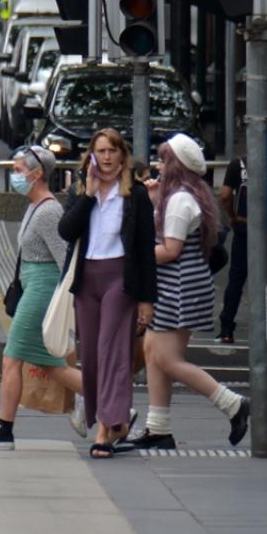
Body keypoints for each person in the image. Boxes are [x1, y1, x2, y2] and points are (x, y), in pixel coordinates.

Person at [122, 135, 250, 450]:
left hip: (179, 287)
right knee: (153, 351)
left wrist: (134, 254)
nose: (158, 166)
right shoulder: (181, 197)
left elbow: (170, 249)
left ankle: (232, 403)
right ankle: (158, 428)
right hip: (177, 285)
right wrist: (155, 203)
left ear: (176, 166)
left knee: (166, 358)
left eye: (164, 160)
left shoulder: (180, 200)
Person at [0, 147, 85, 450]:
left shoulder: (48, 211)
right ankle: (116, 406)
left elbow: (64, 260)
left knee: (12, 357)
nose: (14, 175)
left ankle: (4, 430)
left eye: (18, 170)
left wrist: (67, 304)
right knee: (51, 364)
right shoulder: (35, 207)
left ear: (37, 173)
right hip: (33, 285)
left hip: (42, 289)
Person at [57, 128, 156, 459]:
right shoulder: (82, 189)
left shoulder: (135, 194)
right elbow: (65, 231)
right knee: (91, 356)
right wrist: (88, 195)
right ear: (92, 156)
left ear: (123, 156)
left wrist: (147, 300)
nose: (107, 157)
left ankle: (104, 429)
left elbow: (145, 250)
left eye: (113, 151)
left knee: (111, 350)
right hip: (87, 279)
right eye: (101, 151)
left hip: (120, 278)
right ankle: (118, 422)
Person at [217, 137, 267, 344]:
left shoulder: (239, 164)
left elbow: (225, 195)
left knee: (236, 278)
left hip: (244, 228)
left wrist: (232, 217)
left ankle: (226, 329)